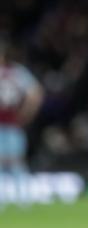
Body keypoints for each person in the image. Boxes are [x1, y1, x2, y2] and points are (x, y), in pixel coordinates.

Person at [0, 38, 43, 207]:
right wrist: (26, 113)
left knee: (14, 161)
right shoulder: (19, 72)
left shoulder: (17, 72)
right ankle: (22, 200)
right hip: (12, 123)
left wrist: (26, 113)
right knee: (15, 161)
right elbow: (36, 93)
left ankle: (20, 198)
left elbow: (36, 94)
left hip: (11, 124)